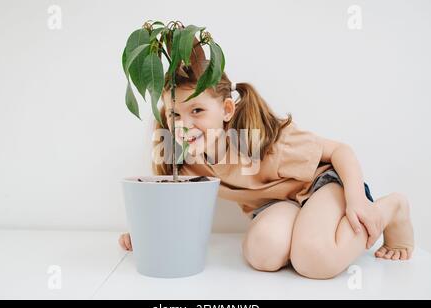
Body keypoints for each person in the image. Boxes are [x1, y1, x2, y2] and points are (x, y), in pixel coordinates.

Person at [119, 63, 414, 279]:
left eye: (197, 111)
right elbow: (174, 205)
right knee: (263, 253)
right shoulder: (186, 162)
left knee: (313, 260)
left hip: (321, 185)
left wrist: (356, 200)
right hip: (280, 204)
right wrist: (145, 234)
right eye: (175, 114)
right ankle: (305, 229)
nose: (184, 125)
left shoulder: (266, 143)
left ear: (226, 110)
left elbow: (340, 151)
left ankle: (392, 207)